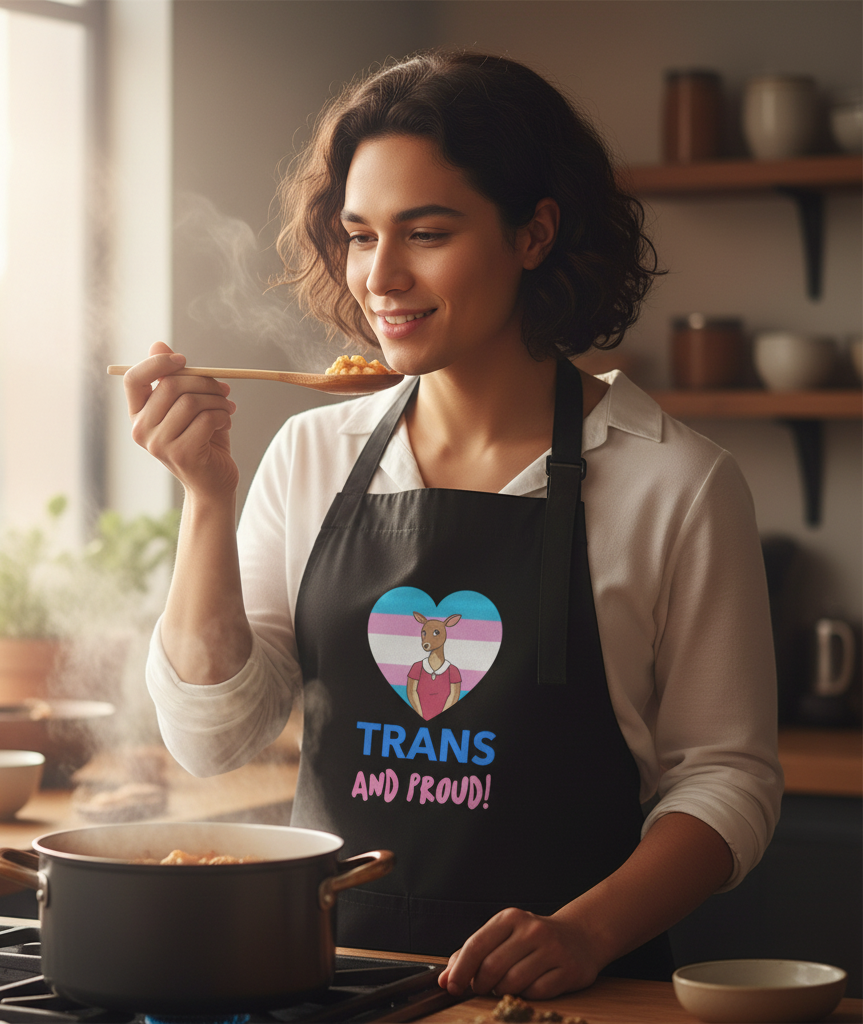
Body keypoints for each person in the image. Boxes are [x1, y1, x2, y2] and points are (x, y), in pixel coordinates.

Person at [125, 50, 782, 1001]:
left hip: (573, 995)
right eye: (358, 236)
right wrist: (206, 500)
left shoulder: (676, 482)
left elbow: (729, 781)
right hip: (327, 981)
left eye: (425, 233)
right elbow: (213, 738)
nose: (378, 276)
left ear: (534, 234)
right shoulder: (313, 452)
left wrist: (583, 934)